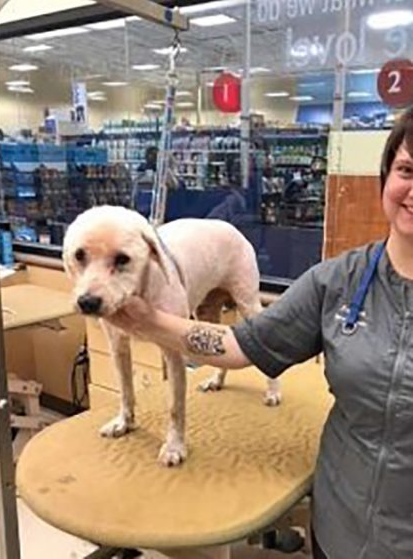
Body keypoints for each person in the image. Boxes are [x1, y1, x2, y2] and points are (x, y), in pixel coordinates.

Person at [106, 106, 413, 558]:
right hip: (341, 528)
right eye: (407, 169)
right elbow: (239, 343)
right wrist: (150, 321)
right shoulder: (336, 282)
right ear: (385, 178)